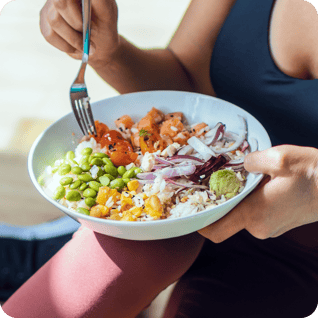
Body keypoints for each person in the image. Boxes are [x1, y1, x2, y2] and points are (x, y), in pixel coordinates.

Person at [2, 0, 318, 317]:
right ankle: (45, 250)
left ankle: (46, 249)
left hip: (295, 256)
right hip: (187, 210)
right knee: (105, 264)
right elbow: (186, 80)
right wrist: (109, 54)